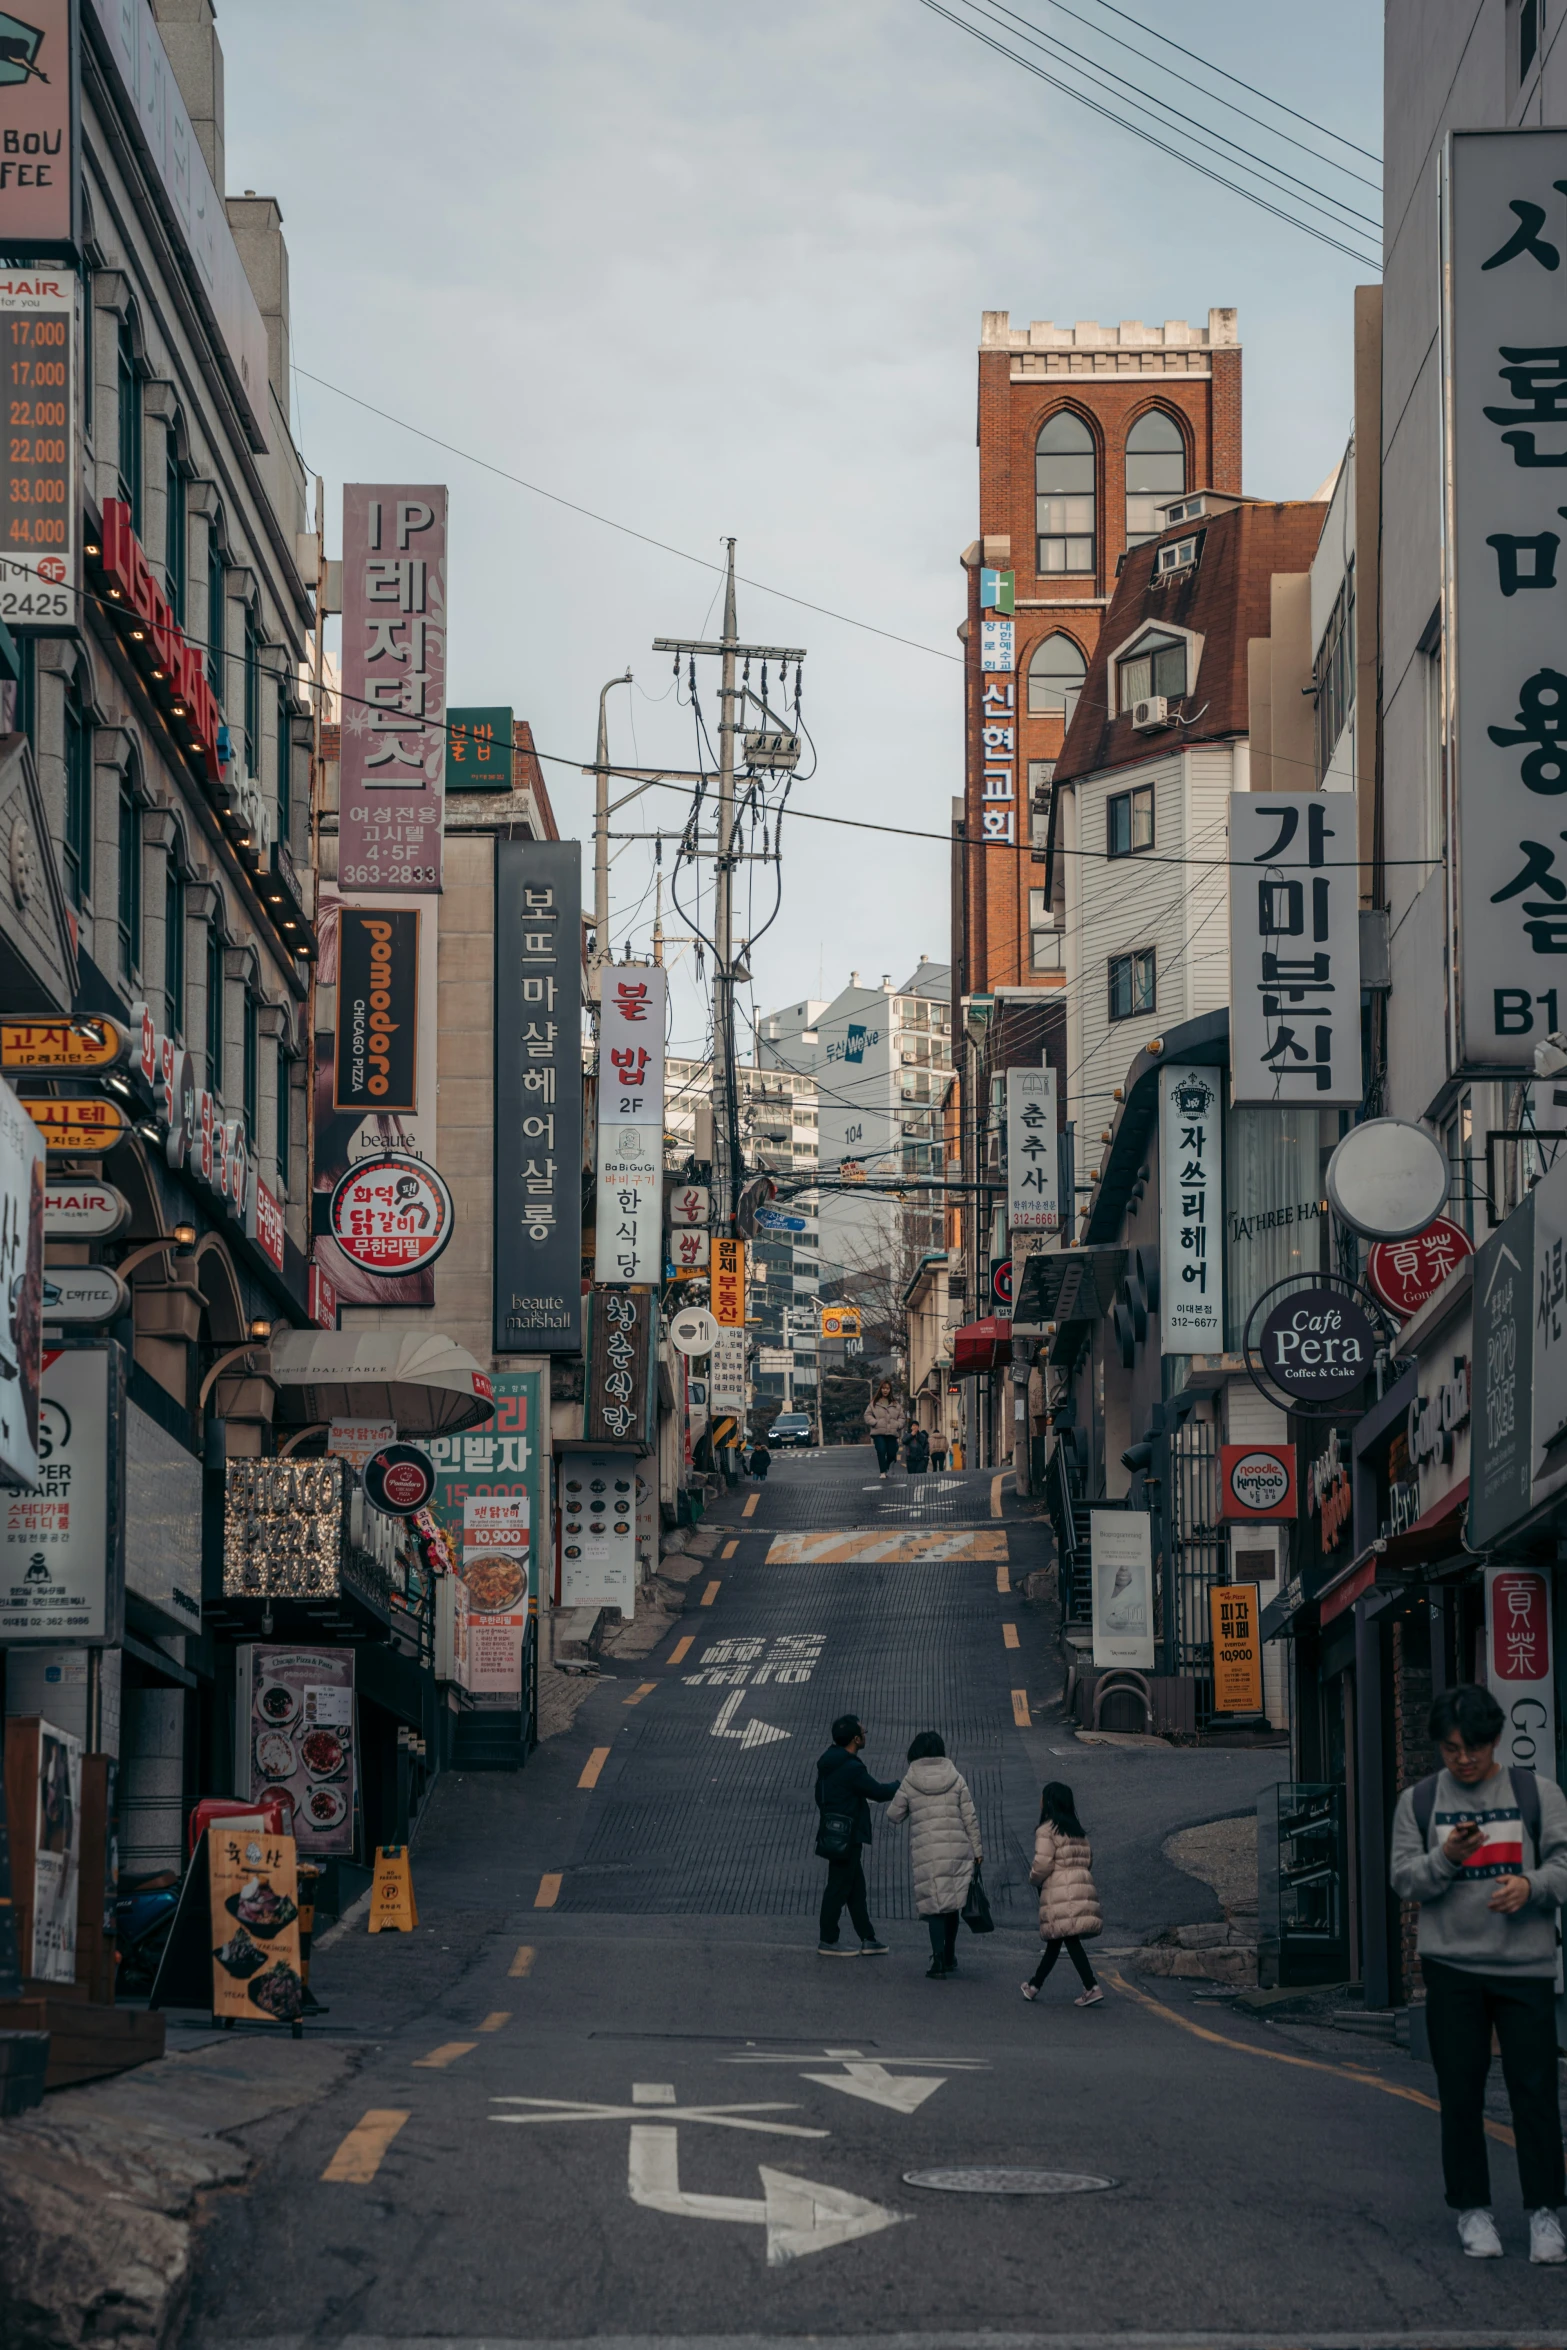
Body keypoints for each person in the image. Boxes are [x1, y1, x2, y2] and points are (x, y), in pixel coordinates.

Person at [1389, 1683, 1567, 2263]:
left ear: (1495, 1740)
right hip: (1453, 1968)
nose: (1464, 1760)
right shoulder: (1419, 1802)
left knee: (1535, 2092)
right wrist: (1448, 1858)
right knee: (1460, 2093)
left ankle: (1545, 2215)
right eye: (1451, 1750)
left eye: (1474, 1748)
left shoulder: (1535, 1794)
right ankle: (1473, 2211)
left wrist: (1531, 1885)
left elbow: (1564, 1866)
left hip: (1525, 1967)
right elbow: (1403, 1880)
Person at [886, 1731, 982, 1978]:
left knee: (935, 1906)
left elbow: (893, 1815)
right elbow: (969, 1817)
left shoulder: (910, 1780)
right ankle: (950, 1955)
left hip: (927, 1852)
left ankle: (937, 1959)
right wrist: (977, 1851)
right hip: (957, 1848)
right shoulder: (955, 1777)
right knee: (952, 1904)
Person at [814, 1713, 898, 1956]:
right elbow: (879, 1792)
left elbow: (820, 1797)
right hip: (847, 1837)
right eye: (863, 1732)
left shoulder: (828, 1762)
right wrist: (903, 1785)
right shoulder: (851, 1767)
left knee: (855, 1889)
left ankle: (868, 1937)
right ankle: (828, 1940)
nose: (864, 1735)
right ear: (855, 1739)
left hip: (835, 1834)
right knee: (839, 1888)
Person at [1021, 1781, 1103, 2007]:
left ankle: (1091, 1986)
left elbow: (1043, 1863)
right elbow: (1089, 1860)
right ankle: (1034, 1985)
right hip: (1080, 1887)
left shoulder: (1047, 1830)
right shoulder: (1078, 1831)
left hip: (1061, 1891)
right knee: (1058, 1940)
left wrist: (1033, 1879)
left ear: (1048, 1803)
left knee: (1067, 1939)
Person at [864, 1381, 905, 1478]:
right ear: (880, 1389)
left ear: (890, 1390)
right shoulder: (874, 1403)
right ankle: (882, 1472)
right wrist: (875, 1422)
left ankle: (886, 1466)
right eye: (883, 1388)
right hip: (878, 1432)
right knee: (881, 1450)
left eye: (887, 1388)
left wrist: (898, 1424)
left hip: (891, 1432)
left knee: (892, 1453)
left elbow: (902, 1417)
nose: (885, 1390)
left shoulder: (895, 1404)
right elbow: (867, 1415)